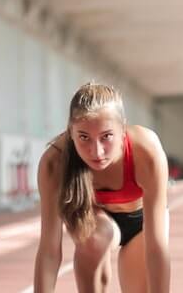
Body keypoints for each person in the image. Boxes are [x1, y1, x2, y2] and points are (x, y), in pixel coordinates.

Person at [33, 82, 170, 293]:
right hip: (94, 222)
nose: (96, 152)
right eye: (84, 137)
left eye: (106, 137)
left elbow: (156, 249)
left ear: (122, 129)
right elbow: (49, 251)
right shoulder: (54, 162)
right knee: (93, 240)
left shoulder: (146, 152)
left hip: (142, 224)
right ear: (70, 132)